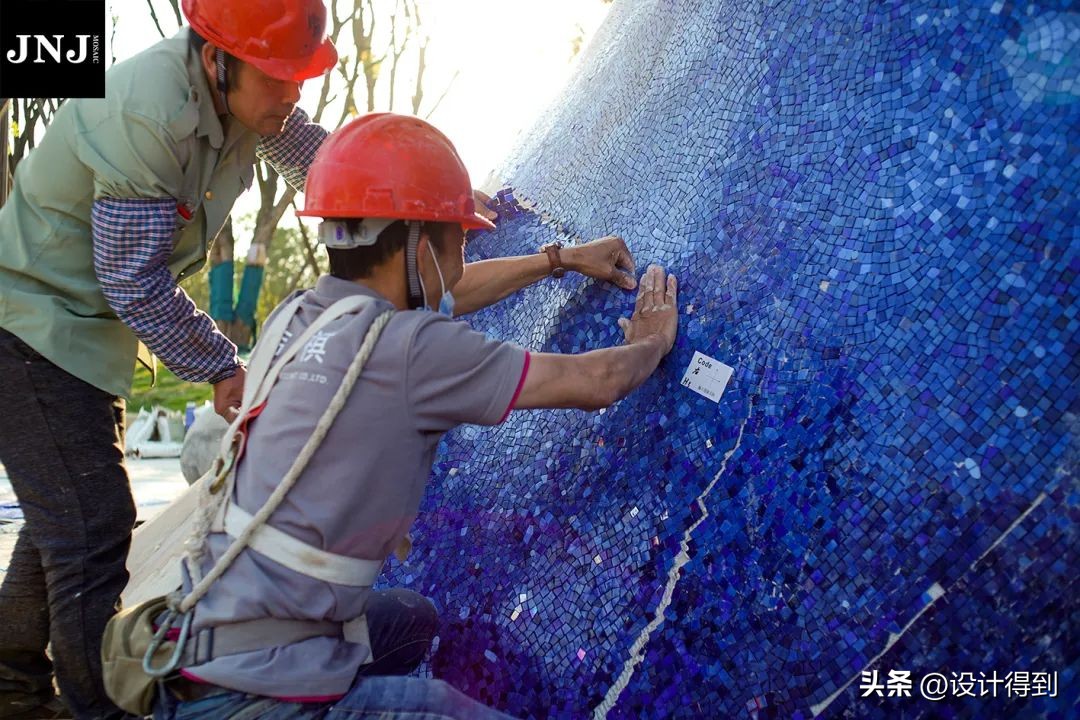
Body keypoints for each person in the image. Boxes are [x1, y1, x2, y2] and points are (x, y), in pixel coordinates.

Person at [153, 113, 679, 719]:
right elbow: (598, 382)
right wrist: (652, 341)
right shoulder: (410, 350)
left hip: (191, 643)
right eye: (459, 240)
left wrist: (557, 259)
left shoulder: (298, 318)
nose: (463, 255)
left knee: (410, 621)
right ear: (419, 246)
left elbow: (449, 290)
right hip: (251, 698)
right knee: (447, 708)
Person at [0, 1, 339, 716]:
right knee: (90, 529)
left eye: (298, 75)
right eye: (277, 75)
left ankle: (12, 687)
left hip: (78, 327)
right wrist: (222, 366)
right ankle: (100, 708)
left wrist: (422, 192)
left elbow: (317, 155)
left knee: (65, 511)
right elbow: (133, 279)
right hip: (27, 318)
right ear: (219, 60)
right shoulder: (149, 113)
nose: (292, 92)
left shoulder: (248, 100)